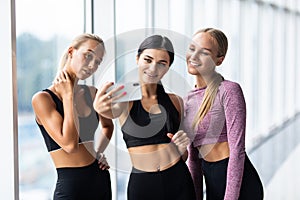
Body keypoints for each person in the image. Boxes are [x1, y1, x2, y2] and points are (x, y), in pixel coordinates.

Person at [93, 35, 196, 200]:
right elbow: (107, 118)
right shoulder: (123, 99)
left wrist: (183, 149)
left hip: (178, 180)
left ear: (168, 67)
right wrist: (98, 107)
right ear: (137, 59)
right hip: (144, 184)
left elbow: (183, 156)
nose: (153, 68)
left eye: (162, 63)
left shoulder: (176, 101)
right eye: (148, 60)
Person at [183, 28, 264, 200]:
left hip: (239, 185)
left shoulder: (229, 90)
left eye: (204, 52)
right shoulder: (187, 100)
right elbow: (194, 159)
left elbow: (237, 150)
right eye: (192, 49)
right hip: (211, 183)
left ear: (219, 59)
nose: (194, 56)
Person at [31, 33, 113, 200]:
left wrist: (98, 152)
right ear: (71, 52)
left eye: (97, 62)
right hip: (71, 187)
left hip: (100, 179)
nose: (92, 65)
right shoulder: (43, 99)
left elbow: (108, 126)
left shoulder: (92, 93)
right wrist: (68, 96)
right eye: (88, 56)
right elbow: (69, 145)